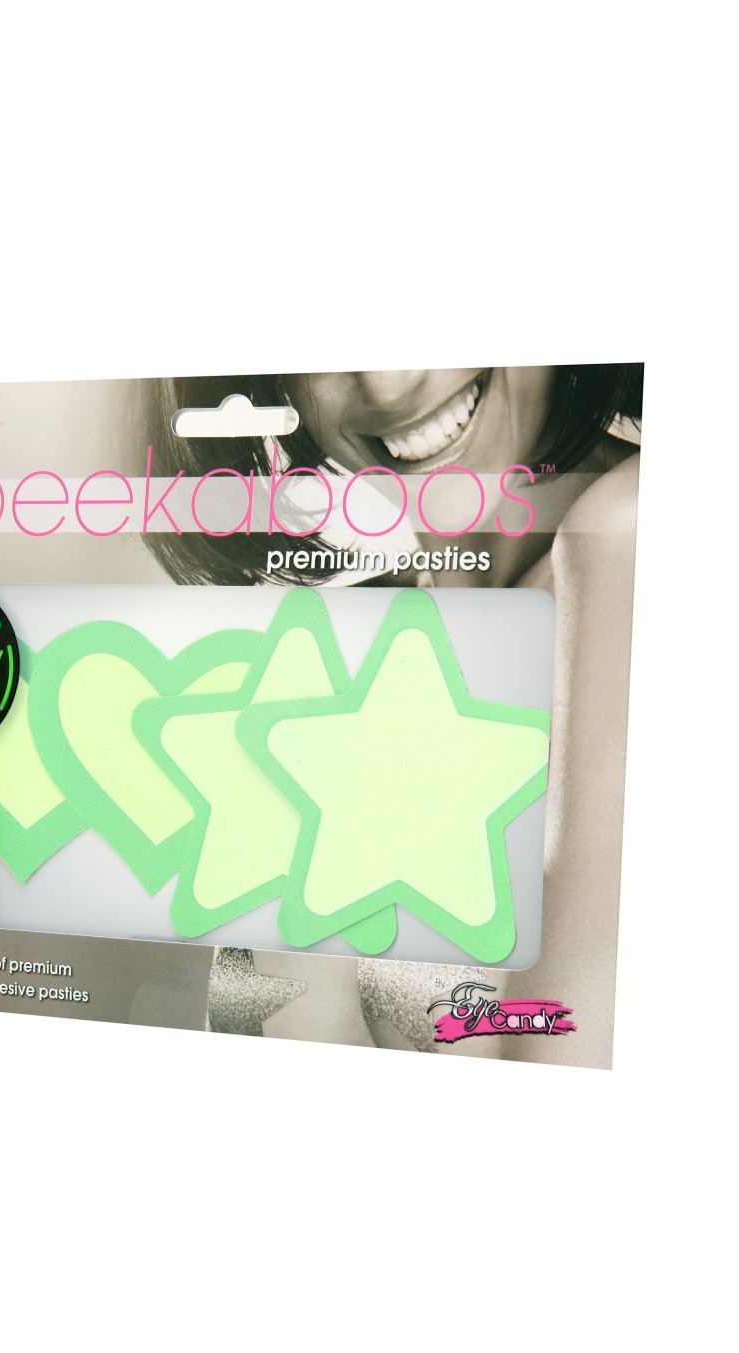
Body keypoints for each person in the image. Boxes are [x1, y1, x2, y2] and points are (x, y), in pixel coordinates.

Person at [143, 366, 641, 1063]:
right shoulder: (343, 656)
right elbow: (252, 1030)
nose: (384, 384)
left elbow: (567, 1059)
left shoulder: (628, 531)